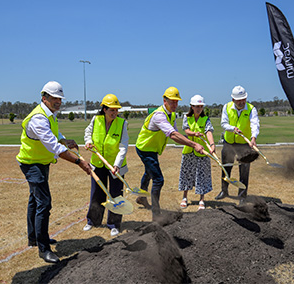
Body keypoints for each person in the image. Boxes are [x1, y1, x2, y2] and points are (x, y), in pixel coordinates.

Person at [16, 81, 92, 264]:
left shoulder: (50, 115)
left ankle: (34, 238)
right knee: (44, 203)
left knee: (35, 200)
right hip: (31, 164)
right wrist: (79, 162)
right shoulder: (38, 119)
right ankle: (44, 249)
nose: (58, 102)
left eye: (60, 98)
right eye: (54, 98)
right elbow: (53, 146)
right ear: (44, 98)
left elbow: (55, 136)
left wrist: (66, 140)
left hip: (41, 162)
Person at [135, 86, 204, 222]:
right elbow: (173, 135)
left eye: (177, 102)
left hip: (153, 149)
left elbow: (177, 134)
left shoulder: (171, 115)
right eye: (172, 101)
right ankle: (156, 215)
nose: (175, 104)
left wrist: (192, 139)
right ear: (164, 100)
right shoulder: (159, 115)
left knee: (149, 172)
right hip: (145, 148)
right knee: (158, 180)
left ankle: (141, 198)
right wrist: (194, 145)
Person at [83, 94, 128, 237]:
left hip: (116, 166)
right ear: (104, 109)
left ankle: (114, 225)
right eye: (111, 110)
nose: (114, 113)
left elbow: (123, 146)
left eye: (116, 110)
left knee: (116, 195)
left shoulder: (122, 123)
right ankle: (93, 221)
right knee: (97, 193)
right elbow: (88, 132)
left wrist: (117, 165)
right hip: (98, 163)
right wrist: (88, 141)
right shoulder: (96, 120)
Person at [215, 85, 260, 203]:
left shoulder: (251, 109)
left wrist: (253, 137)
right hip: (229, 142)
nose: (241, 102)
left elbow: (255, 124)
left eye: (243, 99)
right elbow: (224, 124)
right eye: (238, 100)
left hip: (244, 145)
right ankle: (224, 191)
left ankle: (242, 196)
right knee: (226, 168)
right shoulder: (227, 107)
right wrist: (232, 128)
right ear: (233, 100)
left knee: (244, 170)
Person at [178, 95, 215, 210]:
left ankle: (202, 200)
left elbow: (208, 132)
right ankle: (185, 197)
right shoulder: (186, 117)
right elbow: (187, 130)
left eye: (201, 106)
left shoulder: (206, 119)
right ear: (192, 107)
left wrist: (212, 144)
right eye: (196, 106)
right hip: (189, 151)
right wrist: (195, 134)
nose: (199, 108)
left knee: (202, 175)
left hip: (202, 152)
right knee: (187, 174)